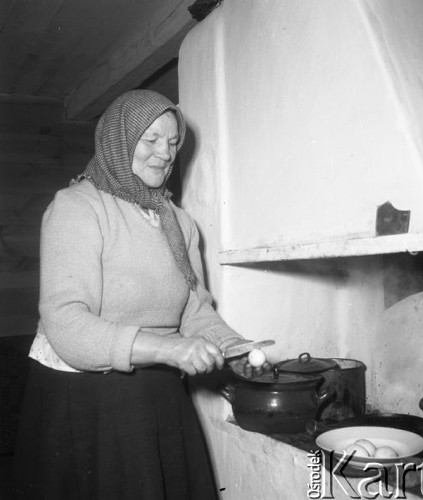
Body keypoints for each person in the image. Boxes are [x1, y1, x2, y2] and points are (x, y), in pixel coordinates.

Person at [12, 89, 270, 500]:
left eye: (172, 143)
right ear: (118, 139)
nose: (164, 154)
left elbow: (194, 311)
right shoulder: (78, 207)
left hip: (155, 387)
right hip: (85, 398)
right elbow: (67, 323)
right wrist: (169, 350)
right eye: (150, 140)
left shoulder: (179, 223)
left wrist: (233, 347)